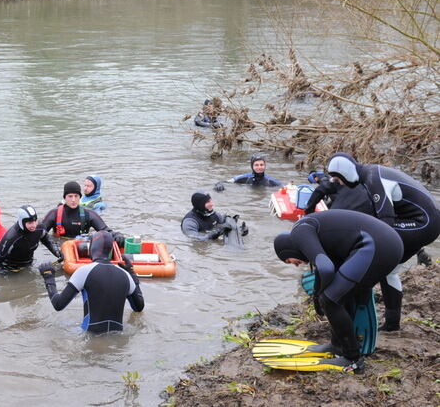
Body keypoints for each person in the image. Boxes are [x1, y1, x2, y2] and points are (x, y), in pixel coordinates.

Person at [319, 152, 440, 330]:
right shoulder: (369, 175)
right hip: (423, 220)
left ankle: (357, 300)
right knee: (389, 271)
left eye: (339, 180)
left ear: (345, 173)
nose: (341, 184)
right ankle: (392, 324)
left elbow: (386, 221)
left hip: (424, 222)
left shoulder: (375, 179)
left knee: (374, 250)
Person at [273, 210, 404, 372]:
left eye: (289, 261)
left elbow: (326, 268)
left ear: (287, 250)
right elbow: (330, 269)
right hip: (385, 243)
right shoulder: (319, 238)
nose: (296, 264)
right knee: (340, 294)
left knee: (330, 300)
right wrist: (318, 294)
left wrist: (318, 295)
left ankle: (353, 360)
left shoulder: (299, 231)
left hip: (376, 245)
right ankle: (337, 346)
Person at [37, 230, 144, 333]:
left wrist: (49, 278)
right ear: (111, 250)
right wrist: (132, 274)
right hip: (118, 340)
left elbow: (58, 304)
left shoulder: (84, 271)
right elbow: (139, 307)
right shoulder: (125, 275)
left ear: (91, 248)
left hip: (90, 337)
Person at [0, 205, 62, 271]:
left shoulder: (40, 228)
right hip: (10, 268)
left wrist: (57, 252)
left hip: (28, 264)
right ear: (21, 222)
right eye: (30, 223)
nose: (34, 225)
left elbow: (47, 241)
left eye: (35, 221)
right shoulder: (11, 238)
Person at [41, 181, 109, 239]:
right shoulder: (53, 214)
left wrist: (116, 235)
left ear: (80, 197)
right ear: (65, 198)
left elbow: (106, 231)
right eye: (70, 196)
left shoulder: (89, 214)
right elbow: (39, 233)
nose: (73, 200)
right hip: (60, 247)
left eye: (76, 196)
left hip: (81, 246)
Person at [181, 191, 247, 241]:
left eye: (211, 201)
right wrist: (217, 232)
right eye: (208, 202)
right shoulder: (190, 222)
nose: (212, 204)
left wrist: (240, 230)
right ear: (200, 205)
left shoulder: (215, 215)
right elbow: (195, 238)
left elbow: (225, 224)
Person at [214, 154, 283, 191]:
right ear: (252, 166)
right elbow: (224, 182)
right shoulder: (244, 178)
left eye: (261, 165)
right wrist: (219, 184)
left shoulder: (271, 181)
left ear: (265, 166)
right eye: (256, 165)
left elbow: (285, 188)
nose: (259, 167)